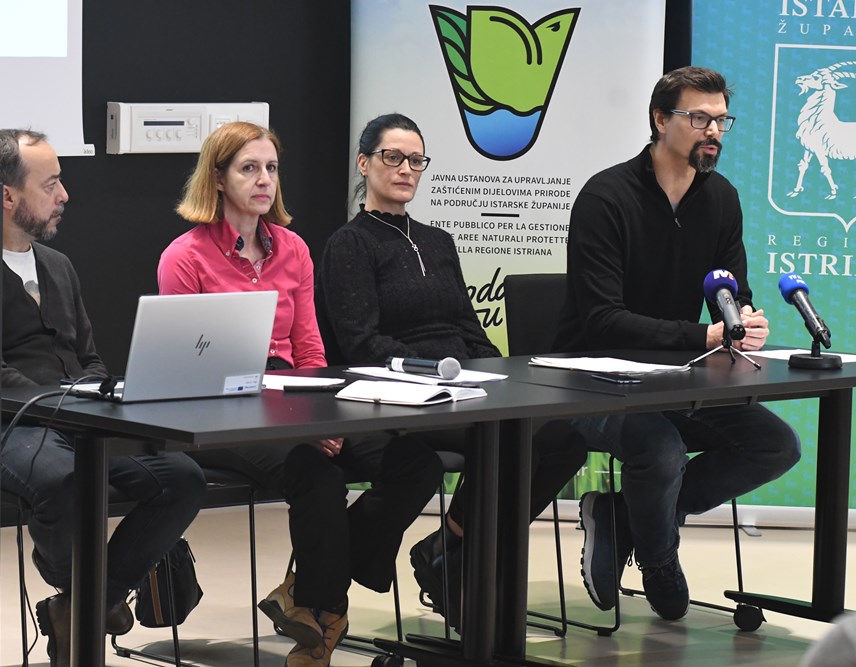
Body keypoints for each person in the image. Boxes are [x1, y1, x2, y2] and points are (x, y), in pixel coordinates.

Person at [157, 121, 444, 666]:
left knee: (415, 463)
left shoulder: (292, 248)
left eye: (271, 168)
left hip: (296, 396)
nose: (264, 180)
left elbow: (310, 350)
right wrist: (301, 426)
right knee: (317, 474)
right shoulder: (185, 257)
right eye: (249, 168)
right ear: (217, 178)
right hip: (224, 409)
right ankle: (324, 615)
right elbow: (186, 372)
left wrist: (320, 417)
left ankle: (309, 587)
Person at [315, 113, 588, 632]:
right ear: (364, 163)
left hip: (460, 384)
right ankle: (459, 569)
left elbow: (468, 327)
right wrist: (436, 377)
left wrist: (500, 375)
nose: (406, 169)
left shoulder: (439, 240)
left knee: (564, 440)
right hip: (401, 392)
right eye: (393, 157)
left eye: (416, 160)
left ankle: (450, 548)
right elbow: (360, 342)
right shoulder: (349, 244)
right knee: (509, 444)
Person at [554, 67, 802, 620]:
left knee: (775, 445)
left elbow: (730, 292)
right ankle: (659, 556)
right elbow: (602, 320)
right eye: (699, 118)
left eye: (721, 121)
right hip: (591, 382)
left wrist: (742, 323)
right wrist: (704, 335)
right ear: (660, 120)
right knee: (660, 449)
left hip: (675, 378)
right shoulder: (605, 196)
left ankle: (624, 516)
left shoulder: (721, 198)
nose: (713, 131)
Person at [0, 129, 207, 667]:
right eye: (50, 183)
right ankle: (89, 600)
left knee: (183, 478)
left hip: (79, 415)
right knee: (64, 480)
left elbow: (90, 357)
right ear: (6, 196)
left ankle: (81, 605)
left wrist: (96, 395)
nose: (65, 194)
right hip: (13, 423)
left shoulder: (58, 266)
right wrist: (63, 403)